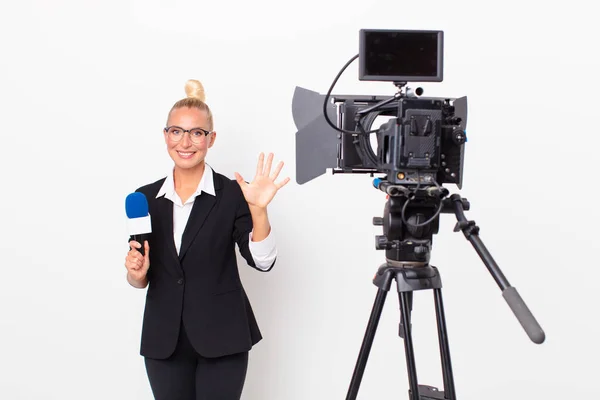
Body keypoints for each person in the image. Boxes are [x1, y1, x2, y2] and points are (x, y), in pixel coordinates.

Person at [124, 79, 289, 400]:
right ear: (165, 136)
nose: (186, 142)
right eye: (177, 131)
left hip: (223, 336)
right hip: (163, 340)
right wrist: (135, 274)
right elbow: (140, 274)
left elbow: (263, 261)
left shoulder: (232, 194)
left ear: (210, 139)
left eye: (197, 133)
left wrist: (258, 210)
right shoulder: (145, 198)